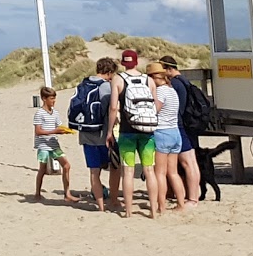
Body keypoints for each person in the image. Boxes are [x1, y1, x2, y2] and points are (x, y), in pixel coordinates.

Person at [107, 49, 159, 219]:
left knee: (128, 171)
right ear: (136, 62)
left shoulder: (118, 79)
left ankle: (128, 211)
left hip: (127, 131)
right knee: (149, 170)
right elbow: (156, 104)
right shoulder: (148, 80)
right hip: (148, 131)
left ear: (123, 63)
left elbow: (114, 107)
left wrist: (109, 131)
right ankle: (153, 210)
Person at [73, 58, 117, 211]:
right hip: (103, 134)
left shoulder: (83, 84)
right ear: (109, 72)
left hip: (85, 134)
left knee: (94, 172)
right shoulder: (106, 87)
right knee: (114, 168)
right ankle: (113, 200)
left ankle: (100, 206)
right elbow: (110, 110)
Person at [159, 56, 202, 204]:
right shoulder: (185, 81)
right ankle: (193, 195)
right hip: (190, 124)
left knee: (187, 163)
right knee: (192, 162)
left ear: (169, 69)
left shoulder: (175, 84)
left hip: (181, 125)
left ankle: (192, 198)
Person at [147, 60, 184, 213]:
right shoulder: (171, 90)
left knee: (160, 173)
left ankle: (161, 205)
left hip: (163, 132)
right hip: (175, 132)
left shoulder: (161, 91)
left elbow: (155, 110)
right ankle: (181, 203)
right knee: (173, 172)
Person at [32, 86, 73, 202]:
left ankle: (67, 193)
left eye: (54, 98)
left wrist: (65, 131)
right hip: (43, 145)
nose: (53, 101)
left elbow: (58, 126)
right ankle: (37, 193)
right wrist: (54, 131)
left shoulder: (55, 112)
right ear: (44, 99)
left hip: (54, 144)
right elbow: (38, 131)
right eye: (51, 98)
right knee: (42, 170)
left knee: (66, 165)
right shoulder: (39, 113)